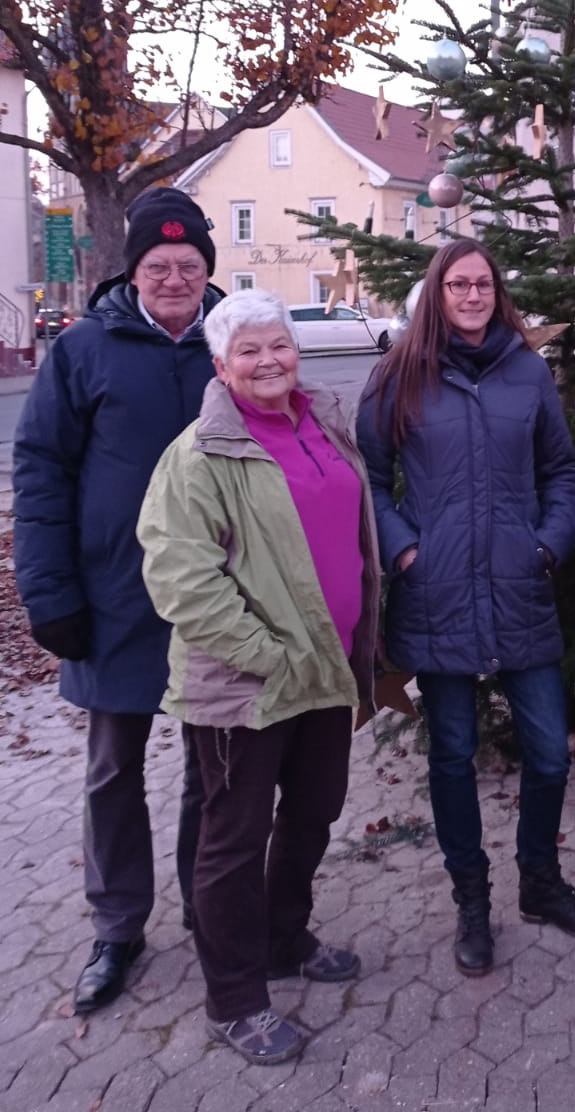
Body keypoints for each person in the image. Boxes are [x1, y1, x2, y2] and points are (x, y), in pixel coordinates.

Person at [136, 290, 381, 1066]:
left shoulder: (323, 423)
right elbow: (184, 582)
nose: (269, 360)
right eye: (250, 350)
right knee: (234, 842)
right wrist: (270, 654)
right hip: (244, 686)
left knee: (314, 812)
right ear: (220, 365)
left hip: (327, 671)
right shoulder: (200, 455)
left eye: (279, 345)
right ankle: (235, 999)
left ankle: (284, 937)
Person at [356, 238, 575, 978]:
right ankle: (472, 899)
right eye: (458, 285)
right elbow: (368, 479)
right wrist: (406, 549)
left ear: (498, 294)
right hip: (435, 592)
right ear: (436, 294)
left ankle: (541, 883)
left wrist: (547, 545)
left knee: (548, 753)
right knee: (453, 755)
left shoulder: (527, 372)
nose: (472, 296)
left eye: (484, 285)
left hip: (518, 586)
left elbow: (559, 470)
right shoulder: (398, 374)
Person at [14, 189, 218, 1013]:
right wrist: (49, 592)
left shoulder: (231, 343)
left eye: (190, 266)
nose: (175, 279)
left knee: (217, 769)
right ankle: (117, 924)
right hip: (113, 597)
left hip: (216, 601)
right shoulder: (86, 351)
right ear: (131, 271)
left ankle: (214, 906)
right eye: (159, 266)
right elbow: (39, 471)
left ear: (209, 270)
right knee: (112, 772)